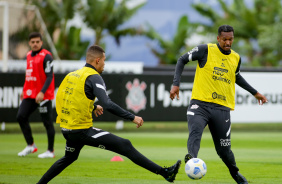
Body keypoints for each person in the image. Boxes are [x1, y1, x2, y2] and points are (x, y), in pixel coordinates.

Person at [37, 45, 181, 184]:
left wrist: (92, 106)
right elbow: (108, 104)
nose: (104, 64)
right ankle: (165, 173)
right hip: (81, 130)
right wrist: (133, 117)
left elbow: (67, 98)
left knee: (69, 158)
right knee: (125, 144)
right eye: (104, 60)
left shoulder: (72, 75)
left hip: (67, 129)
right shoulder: (94, 77)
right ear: (97, 60)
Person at [170, 25, 268, 184]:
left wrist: (255, 92)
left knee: (224, 150)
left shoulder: (236, 57)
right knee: (195, 131)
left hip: (222, 109)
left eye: (230, 39)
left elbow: (236, 76)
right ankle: (192, 159)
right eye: (224, 39)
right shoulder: (205, 50)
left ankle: (236, 175)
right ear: (218, 38)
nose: (228, 42)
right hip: (199, 105)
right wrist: (176, 84)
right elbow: (182, 59)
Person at [17, 32, 55, 158]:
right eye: (32, 42)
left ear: (41, 42)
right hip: (30, 94)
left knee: (47, 122)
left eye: (37, 42)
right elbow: (29, 75)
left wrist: (42, 92)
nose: (35, 44)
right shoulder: (28, 55)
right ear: (29, 43)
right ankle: (30, 145)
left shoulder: (47, 56)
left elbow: (49, 77)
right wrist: (24, 89)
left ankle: (50, 151)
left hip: (43, 95)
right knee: (21, 116)